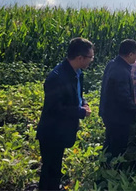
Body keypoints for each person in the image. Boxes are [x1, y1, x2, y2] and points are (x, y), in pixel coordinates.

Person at [36, 37, 94, 191]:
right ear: (80, 58)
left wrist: (85, 103)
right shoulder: (56, 77)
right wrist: (81, 112)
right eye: (91, 57)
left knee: (55, 167)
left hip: (62, 130)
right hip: (51, 132)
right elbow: (55, 108)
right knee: (50, 169)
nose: (91, 60)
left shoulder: (77, 72)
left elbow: (78, 94)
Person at [99, 39, 136, 164]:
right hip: (118, 117)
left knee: (109, 142)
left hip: (109, 113)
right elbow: (123, 97)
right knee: (118, 145)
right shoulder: (121, 70)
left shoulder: (113, 64)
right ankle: (113, 170)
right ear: (130, 54)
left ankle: (104, 167)